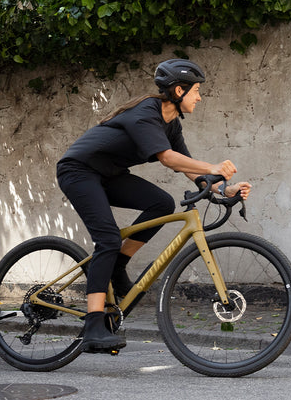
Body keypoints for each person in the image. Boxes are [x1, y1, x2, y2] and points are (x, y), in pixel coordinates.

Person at [55, 58, 253, 353]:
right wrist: (213, 165)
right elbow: (167, 158)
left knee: (162, 202)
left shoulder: (171, 124)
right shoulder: (145, 113)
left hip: (108, 175)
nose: (199, 97)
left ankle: (117, 265)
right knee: (107, 239)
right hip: (78, 171)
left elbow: (191, 171)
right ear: (177, 90)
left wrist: (227, 188)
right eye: (196, 90)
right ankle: (93, 326)